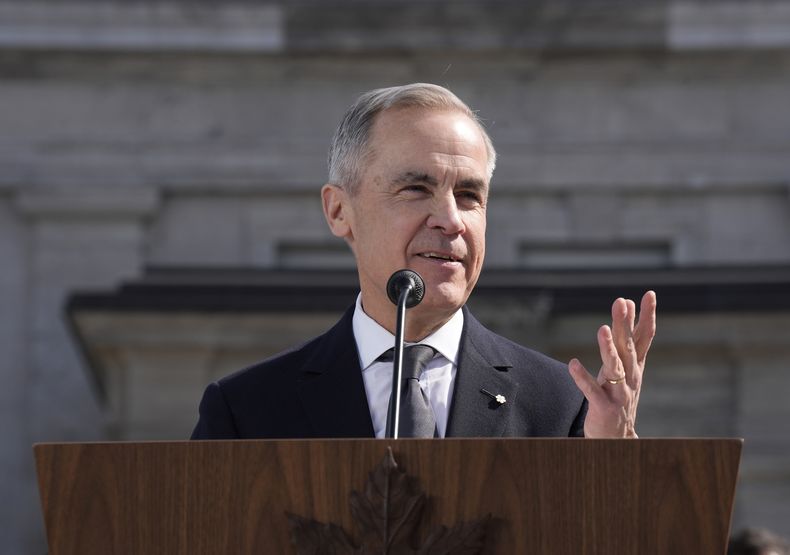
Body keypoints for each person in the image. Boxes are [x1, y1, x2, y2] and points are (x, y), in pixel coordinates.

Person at [191, 83, 656, 440]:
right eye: (416, 189)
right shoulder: (246, 410)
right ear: (339, 211)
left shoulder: (562, 405)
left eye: (470, 195)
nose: (451, 220)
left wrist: (613, 469)